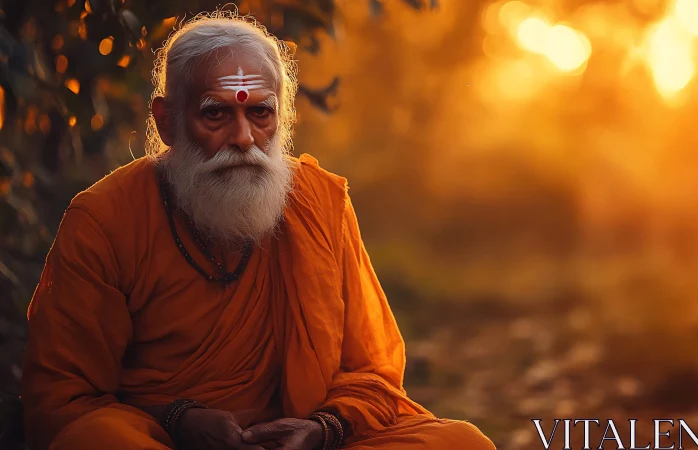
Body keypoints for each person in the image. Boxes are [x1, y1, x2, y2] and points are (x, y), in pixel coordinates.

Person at [20, 11, 496, 450]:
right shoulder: (104, 219)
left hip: (299, 442)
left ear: (281, 117)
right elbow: (63, 399)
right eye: (215, 113)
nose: (244, 138)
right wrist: (178, 420)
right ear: (167, 122)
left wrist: (323, 428)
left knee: (462, 442)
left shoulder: (318, 203)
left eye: (260, 113)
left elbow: (370, 370)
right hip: (162, 441)